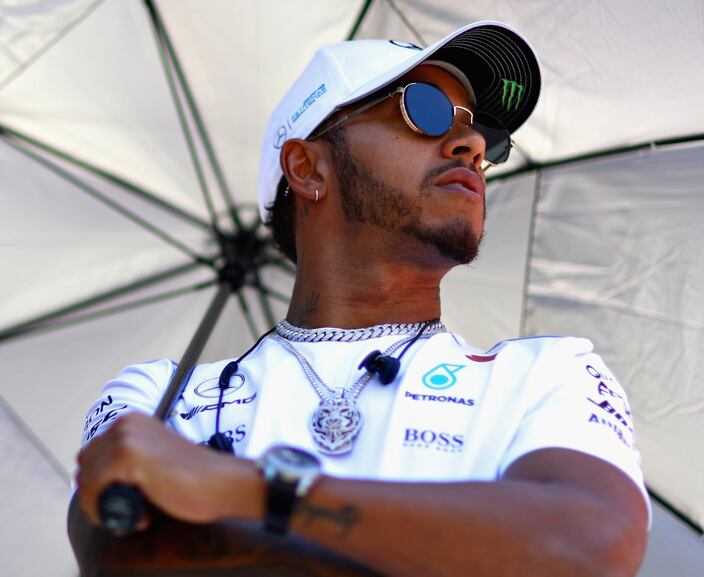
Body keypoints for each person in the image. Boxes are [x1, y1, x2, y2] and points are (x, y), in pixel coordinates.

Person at [71, 21, 649, 577]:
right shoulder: (155, 397)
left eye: (487, 138)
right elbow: (120, 558)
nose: (472, 144)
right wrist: (475, 546)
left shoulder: (552, 373)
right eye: (423, 108)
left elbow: (585, 549)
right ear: (307, 168)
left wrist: (247, 492)